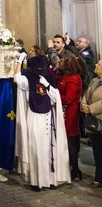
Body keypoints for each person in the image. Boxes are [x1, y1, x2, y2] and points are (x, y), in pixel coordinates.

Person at [14, 53, 70, 190]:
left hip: (47, 117)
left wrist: (48, 86)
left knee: (49, 148)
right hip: (34, 116)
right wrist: (19, 61)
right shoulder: (29, 79)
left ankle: (50, 180)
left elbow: (56, 98)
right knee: (35, 147)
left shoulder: (48, 78)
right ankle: (36, 181)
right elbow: (17, 79)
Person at [56, 53, 83, 180]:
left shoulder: (72, 79)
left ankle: (74, 168)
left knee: (70, 141)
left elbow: (68, 99)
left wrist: (55, 95)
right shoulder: (65, 77)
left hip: (70, 115)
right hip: (66, 113)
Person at [80, 59, 102, 188]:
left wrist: (90, 109)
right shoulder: (94, 81)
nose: (95, 65)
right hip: (94, 122)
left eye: (98, 64)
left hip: (99, 117)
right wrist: (83, 104)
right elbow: (86, 94)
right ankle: (99, 178)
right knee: (97, 151)